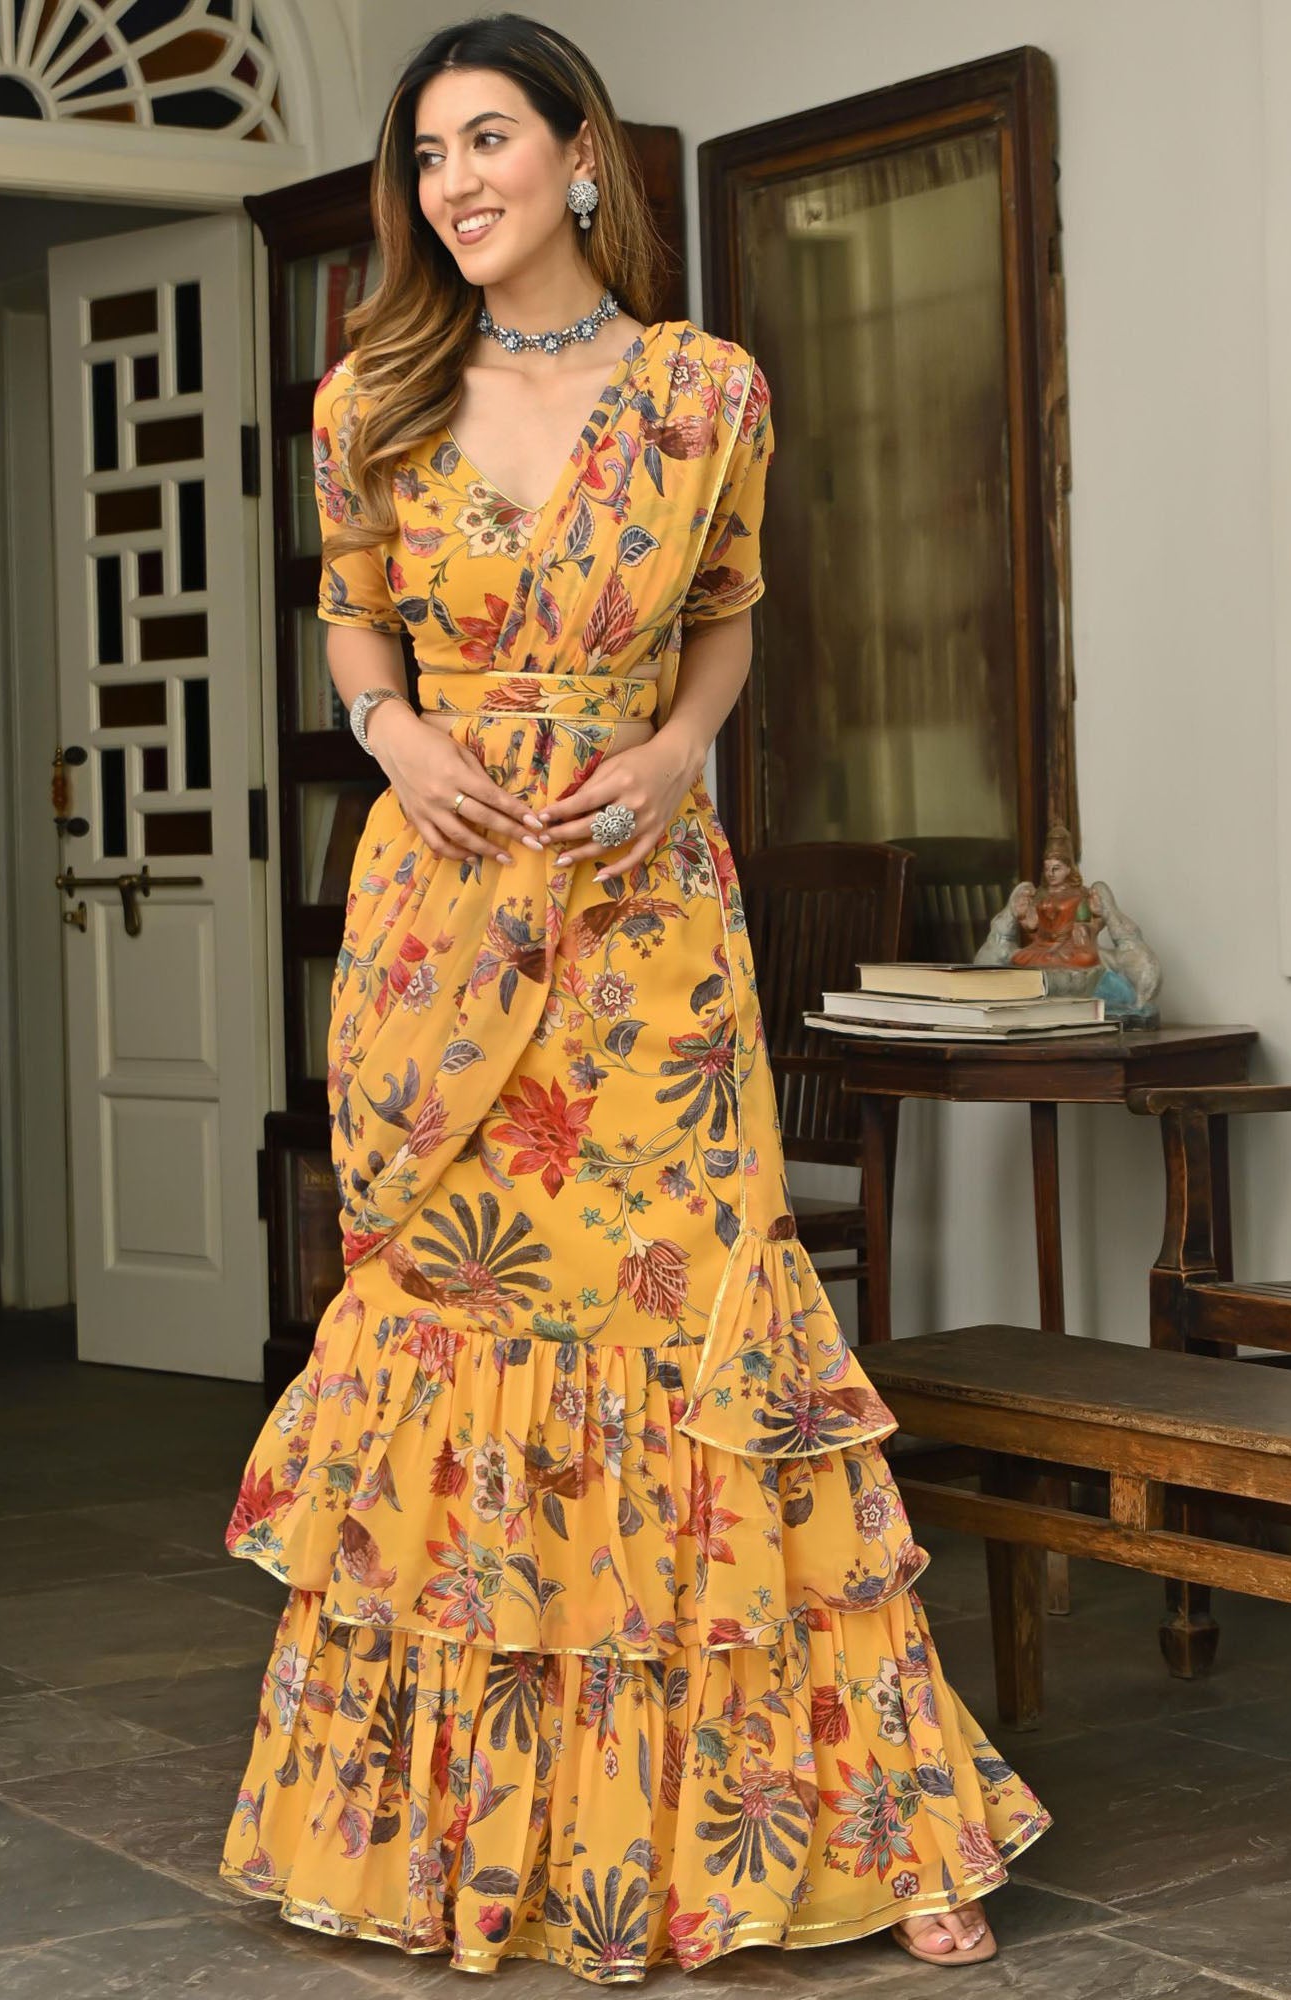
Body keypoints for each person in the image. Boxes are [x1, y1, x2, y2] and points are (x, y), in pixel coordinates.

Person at [219, 14, 1050, 1982]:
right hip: (439, 923)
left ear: (582, 154)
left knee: (702, 1328)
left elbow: (729, 616)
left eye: (489, 139)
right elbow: (352, 621)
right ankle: (472, 1849)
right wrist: (392, 733)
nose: (456, 183)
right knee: (458, 1328)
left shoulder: (706, 394)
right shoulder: (370, 399)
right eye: (428, 156)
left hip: (643, 927)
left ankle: (862, 1832)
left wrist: (680, 752)